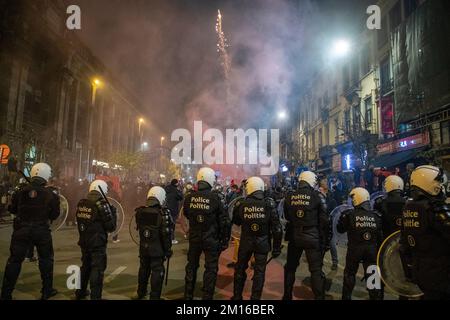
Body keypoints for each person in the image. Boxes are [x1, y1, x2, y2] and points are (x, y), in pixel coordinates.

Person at [1, 163, 60, 300]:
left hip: (21, 229)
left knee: (14, 261)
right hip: (41, 230)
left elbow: (12, 209)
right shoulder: (51, 193)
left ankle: (6, 294)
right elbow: (55, 215)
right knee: (46, 260)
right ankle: (46, 291)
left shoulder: (20, 191)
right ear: (45, 175)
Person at [400, 165, 450, 300]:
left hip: (420, 271)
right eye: (438, 181)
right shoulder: (435, 209)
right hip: (441, 273)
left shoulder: (408, 208)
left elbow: (403, 245)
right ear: (429, 182)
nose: (440, 185)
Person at [231, 177, 282, 300]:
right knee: (259, 272)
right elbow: (277, 229)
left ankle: (237, 296)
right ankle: (255, 298)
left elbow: (236, 222)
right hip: (262, 243)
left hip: (246, 242)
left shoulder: (241, 204)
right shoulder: (269, 204)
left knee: (240, 269)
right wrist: (276, 248)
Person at [183, 167, 230, 300]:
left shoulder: (189, 197)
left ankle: (188, 295)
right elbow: (225, 222)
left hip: (194, 238)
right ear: (210, 180)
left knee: (191, 266)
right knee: (210, 268)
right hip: (211, 238)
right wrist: (224, 240)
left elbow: (186, 214)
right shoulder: (216, 199)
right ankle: (207, 296)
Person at [282, 171, 329, 300]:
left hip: (294, 236)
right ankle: (319, 297)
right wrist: (325, 240)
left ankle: (286, 296)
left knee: (290, 268)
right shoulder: (317, 196)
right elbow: (324, 221)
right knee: (315, 270)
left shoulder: (290, 196)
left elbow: (287, 216)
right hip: (312, 236)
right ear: (311, 181)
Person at [75, 180, 117, 300]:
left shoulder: (82, 203)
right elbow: (111, 227)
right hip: (97, 242)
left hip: (84, 240)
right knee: (97, 269)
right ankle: (95, 296)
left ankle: (80, 292)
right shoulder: (102, 205)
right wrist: (112, 213)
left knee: (85, 266)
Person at [337, 187, 382, 300]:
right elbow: (380, 235)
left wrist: (342, 218)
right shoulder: (376, 216)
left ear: (357, 199)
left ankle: (346, 297)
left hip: (354, 249)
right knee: (372, 275)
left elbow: (340, 229)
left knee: (350, 274)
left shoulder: (349, 215)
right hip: (372, 249)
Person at [134, 186, 172, 300]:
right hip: (157, 249)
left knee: (143, 270)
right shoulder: (163, 214)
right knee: (156, 272)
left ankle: (141, 292)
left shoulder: (140, 211)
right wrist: (168, 250)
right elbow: (166, 235)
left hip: (144, 247)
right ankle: (154, 297)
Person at [373, 175, 407, 299]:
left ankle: (377, 296)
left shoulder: (380, 203)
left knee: (378, 272)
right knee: (403, 275)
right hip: (403, 244)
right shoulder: (408, 202)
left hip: (384, 242)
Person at [319, 179, 338, 270]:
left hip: (330, 224)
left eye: (326, 182)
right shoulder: (318, 196)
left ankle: (335, 262)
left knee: (332, 243)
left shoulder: (331, 196)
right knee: (321, 244)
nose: (326, 183)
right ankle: (320, 262)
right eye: (324, 182)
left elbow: (335, 210)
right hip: (321, 224)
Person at [165, 179, 183, 244]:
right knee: (172, 224)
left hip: (166, 208)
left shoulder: (166, 188)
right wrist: (179, 190)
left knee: (166, 223)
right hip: (173, 209)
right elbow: (181, 197)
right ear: (176, 183)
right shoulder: (176, 190)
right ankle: (172, 239)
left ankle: (166, 238)